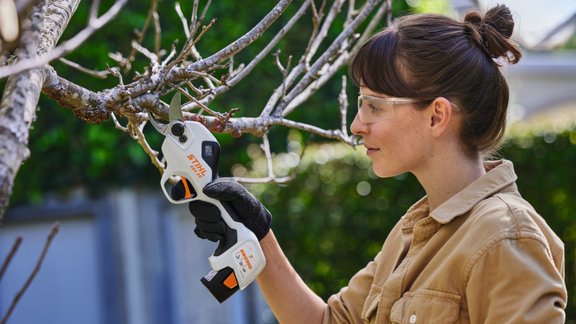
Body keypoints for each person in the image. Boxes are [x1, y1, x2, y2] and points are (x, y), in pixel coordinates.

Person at [185, 4, 567, 323]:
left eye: (374, 105)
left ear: (436, 116)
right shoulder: (414, 231)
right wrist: (257, 234)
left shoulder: (504, 236)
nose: (356, 124)